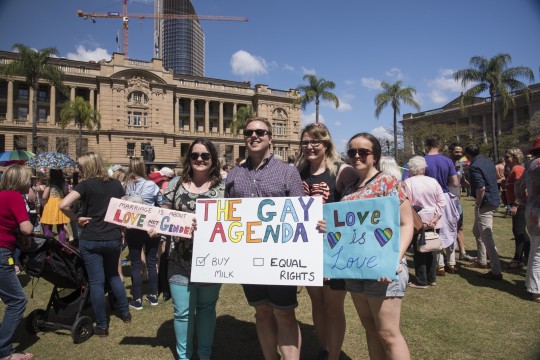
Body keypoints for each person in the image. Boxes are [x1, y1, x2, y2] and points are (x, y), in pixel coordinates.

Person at [225, 118, 304, 360]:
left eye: (260, 132)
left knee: (285, 313)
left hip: (281, 258)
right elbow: (226, 216)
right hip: (247, 258)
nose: (254, 136)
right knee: (261, 311)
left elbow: (301, 214)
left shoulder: (288, 172)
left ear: (270, 137)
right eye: (249, 132)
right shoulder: (233, 175)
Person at [341, 132, 413, 360]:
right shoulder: (349, 189)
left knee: (388, 333)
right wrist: (329, 226)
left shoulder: (389, 183)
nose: (357, 156)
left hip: (384, 269)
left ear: (375, 156)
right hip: (355, 268)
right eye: (352, 152)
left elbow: (406, 224)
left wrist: (393, 260)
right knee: (371, 329)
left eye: (364, 152)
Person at [153, 138, 224, 360]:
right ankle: (184, 357)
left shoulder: (224, 187)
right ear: (189, 158)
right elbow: (162, 214)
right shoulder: (175, 184)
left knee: (206, 309)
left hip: (211, 261)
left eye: (205, 155)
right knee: (182, 313)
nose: (199, 159)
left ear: (213, 159)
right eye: (194, 156)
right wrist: (156, 226)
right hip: (179, 260)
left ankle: (204, 355)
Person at [297, 123, 358, 360]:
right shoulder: (299, 171)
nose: (310, 147)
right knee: (317, 302)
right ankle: (324, 349)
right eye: (305, 142)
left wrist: (334, 223)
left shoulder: (343, 172)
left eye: (316, 142)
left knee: (333, 306)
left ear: (326, 144)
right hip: (308, 249)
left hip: (335, 250)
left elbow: (356, 210)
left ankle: (333, 355)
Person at [60, 152, 132, 336]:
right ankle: (125, 312)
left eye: (81, 166)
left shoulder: (84, 185)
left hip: (91, 238)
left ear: (88, 167)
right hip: (112, 237)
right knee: (114, 276)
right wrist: (122, 231)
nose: (79, 169)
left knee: (97, 282)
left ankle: (102, 325)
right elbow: (124, 211)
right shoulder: (116, 184)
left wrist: (76, 219)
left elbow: (63, 205)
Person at [0, 165, 34, 360]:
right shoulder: (14, 197)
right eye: (28, 179)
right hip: (2, 251)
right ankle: (4, 350)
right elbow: (27, 228)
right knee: (16, 301)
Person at [124, 158, 162, 310]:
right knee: (152, 261)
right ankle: (154, 295)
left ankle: (137, 299)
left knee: (135, 263)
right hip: (151, 226)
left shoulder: (125, 185)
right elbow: (159, 202)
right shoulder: (151, 185)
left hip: (133, 227)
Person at [404, 156, 446, 288]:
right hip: (434, 220)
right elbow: (441, 201)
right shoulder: (433, 181)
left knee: (419, 251)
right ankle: (431, 278)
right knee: (432, 248)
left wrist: (422, 221)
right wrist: (435, 218)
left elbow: (408, 204)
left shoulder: (408, 182)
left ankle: (421, 280)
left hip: (418, 221)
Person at [463, 143, 503, 280]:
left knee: (487, 236)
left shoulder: (474, 166)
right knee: (477, 231)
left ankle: (496, 270)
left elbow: (481, 188)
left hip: (485, 203)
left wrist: (478, 204)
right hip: (494, 199)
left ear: (467, 154)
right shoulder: (488, 161)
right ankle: (481, 260)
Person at [423, 134, 459, 276]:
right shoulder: (447, 161)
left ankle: (440, 264)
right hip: (444, 195)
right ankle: (451, 262)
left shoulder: (423, 161)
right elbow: (455, 182)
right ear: (440, 144)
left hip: (430, 198)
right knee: (450, 227)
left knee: (435, 229)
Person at [516, 136, 540, 302]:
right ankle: (536, 290)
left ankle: (533, 286)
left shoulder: (530, 166)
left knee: (535, 249)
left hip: (531, 210)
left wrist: (523, 201)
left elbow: (518, 186)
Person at [448, 143, 475, 261]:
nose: (459, 154)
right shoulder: (446, 164)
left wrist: (472, 188)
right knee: (447, 226)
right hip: (447, 199)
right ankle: (448, 255)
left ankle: (462, 253)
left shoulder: (461, 164)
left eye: (460, 152)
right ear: (450, 152)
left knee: (460, 226)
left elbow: (462, 180)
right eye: (456, 152)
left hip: (457, 199)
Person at [504, 148, 530, 269]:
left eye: (508, 157)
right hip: (517, 204)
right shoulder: (513, 170)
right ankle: (527, 256)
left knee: (519, 231)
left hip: (520, 205)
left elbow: (521, 189)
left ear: (515, 157)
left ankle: (518, 258)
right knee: (519, 230)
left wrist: (515, 204)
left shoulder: (518, 169)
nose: (505, 159)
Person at [41, 169, 70, 243]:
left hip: (50, 205)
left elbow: (44, 196)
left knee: (48, 225)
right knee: (61, 227)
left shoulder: (49, 183)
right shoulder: (64, 183)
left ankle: (48, 245)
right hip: (61, 204)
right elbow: (66, 193)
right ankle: (62, 244)